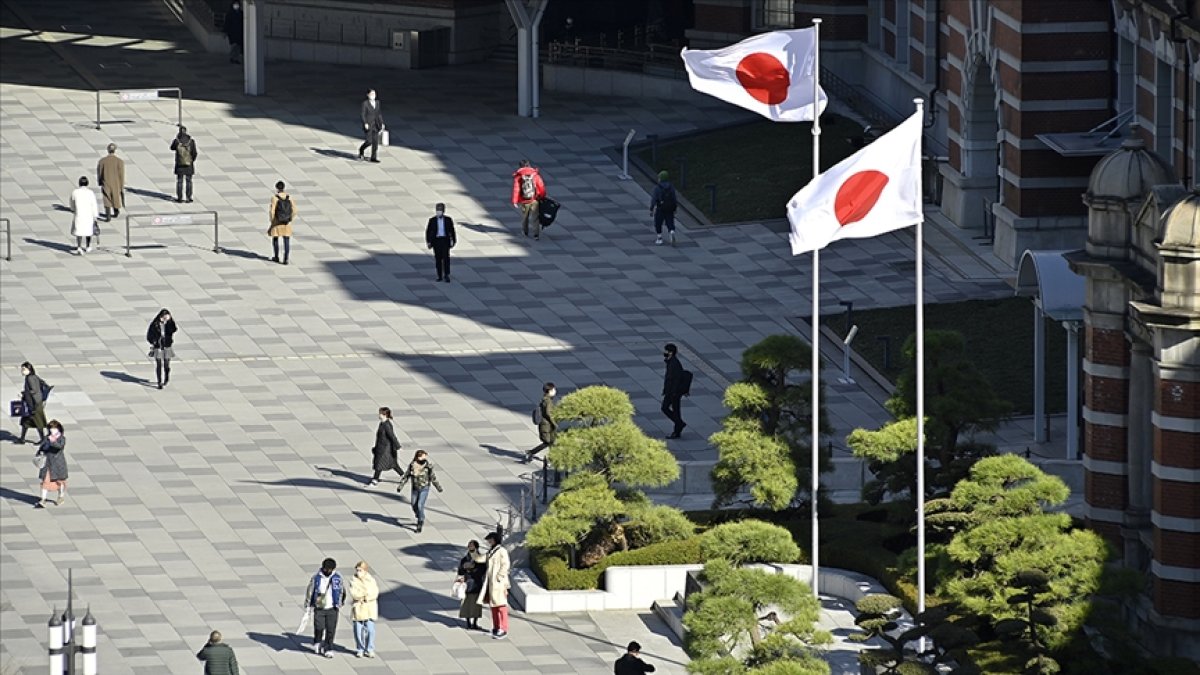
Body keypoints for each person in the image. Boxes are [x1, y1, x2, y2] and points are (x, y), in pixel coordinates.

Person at [304, 558, 344, 658]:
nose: (329, 571)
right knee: (319, 627)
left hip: (332, 608)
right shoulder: (316, 578)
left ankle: (328, 648)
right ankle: (317, 641)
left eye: (331, 569)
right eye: (327, 569)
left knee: (331, 629)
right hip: (320, 607)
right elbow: (310, 590)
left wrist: (340, 602)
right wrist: (308, 604)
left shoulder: (337, 578)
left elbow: (342, 591)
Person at [396, 450, 443, 533]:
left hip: (424, 488)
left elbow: (432, 477)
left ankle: (420, 523)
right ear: (418, 457)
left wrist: (438, 487)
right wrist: (400, 486)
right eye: (423, 456)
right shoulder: (412, 465)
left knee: (420, 505)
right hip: (415, 488)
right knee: (414, 505)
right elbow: (406, 476)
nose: (424, 458)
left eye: (425, 456)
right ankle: (420, 515)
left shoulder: (428, 466)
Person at [479, 531, 511, 639]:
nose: (488, 541)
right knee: (494, 606)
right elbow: (482, 559)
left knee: (501, 606)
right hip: (491, 583)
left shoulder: (502, 551)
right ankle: (496, 627)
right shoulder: (491, 551)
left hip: (499, 583)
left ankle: (503, 628)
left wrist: (499, 577)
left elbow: (505, 565)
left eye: (490, 540)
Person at [348, 561, 379, 658]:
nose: (358, 572)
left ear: (365, 570)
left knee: (370, 630)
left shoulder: (371, 580)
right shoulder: (353, 580)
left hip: (369, 608)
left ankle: (369, 648)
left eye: (360, 570)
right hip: (359, 608)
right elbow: (354, 593)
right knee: (357, 631)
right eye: (357, 570)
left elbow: (374, 592)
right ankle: (360, 648)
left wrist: (366, 597)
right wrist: (363, 596)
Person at [35, 420, 68, 508]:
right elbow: (43, 446)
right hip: (48, 463)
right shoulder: (47, 437)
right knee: (45, 481)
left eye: (54, 428)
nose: (52, 430)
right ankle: (43, 499)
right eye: (50, 428)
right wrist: (39, 452)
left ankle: (61, 496)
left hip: (57, 463)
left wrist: (53, 441)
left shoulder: (61, 438)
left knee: (59, 481)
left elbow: (60, 447)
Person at [511, 159, 546, 239]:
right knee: (535, 217)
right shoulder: (535, 175)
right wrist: (542, 196)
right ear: (529, 165)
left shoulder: (519, 176)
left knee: (525, 217)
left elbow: (516, 189)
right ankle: (536, 234)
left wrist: (514, 201)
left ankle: (525, 231)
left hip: (524, 200)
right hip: (534, 199)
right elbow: (541, 186)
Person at [456, 540, 487, 630]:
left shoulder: (480, 559)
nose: (470, 548)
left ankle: (475, 622)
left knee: (476, 605)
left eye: (472, 546)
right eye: (469, 546)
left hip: (477, 584)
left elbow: (482, 571)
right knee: (467, 604)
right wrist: (464, 567)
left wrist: (473, 568)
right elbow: (460, 571)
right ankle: (468, 622)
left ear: (476, 548)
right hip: (467, 584)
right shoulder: (464, 559)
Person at [369, 407, 402, 486]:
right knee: (393, 464)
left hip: (385, 449)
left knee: (379, 464)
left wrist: (398, 446)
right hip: (381, 447)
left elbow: (392, 436)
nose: (379, 415)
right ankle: (403, 475)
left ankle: (375, 479)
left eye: (380, 413)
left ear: (384, 415)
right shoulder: (382, 423)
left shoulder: (387, 425)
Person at [525, 382, 557, 462]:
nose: (555, 391)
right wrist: (554, 423)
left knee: (551, 442)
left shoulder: (544, 399)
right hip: (546, 425)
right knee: (548, 442)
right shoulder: (548, 401)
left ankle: (551, 458)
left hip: (546, 425)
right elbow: (548, 413)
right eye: (553, 390)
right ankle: (531, 453)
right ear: (549, 391)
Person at [425, 202, 456, 282]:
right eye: (437, 210)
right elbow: (428, 231)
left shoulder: (448, 220)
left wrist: (453, 240)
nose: (439, 211)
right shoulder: (432, 220)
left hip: (445, 240)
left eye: (440, 210)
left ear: (443, 211)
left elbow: (452, 231)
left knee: (446, 258)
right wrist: (428, 242)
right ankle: (439, 275)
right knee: (438, 259)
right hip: (436, 241)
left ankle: (446, 274)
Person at [147, 309, 177, 390]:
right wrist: (154, 341)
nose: (164, 319)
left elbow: (174, 329)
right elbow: (149, 336)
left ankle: (166, 375)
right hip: (158, 346)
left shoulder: (169, 324)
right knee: (159, 364)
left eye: (165, 317)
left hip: (167, 345)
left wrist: (170, 321)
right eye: (163, 317)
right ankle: (159, 382)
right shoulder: (155, 324)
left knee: (166, 364)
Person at [17, 362, 47, 444]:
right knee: (26, 421)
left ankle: (43, 439)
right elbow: (42, 383)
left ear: (29, 369)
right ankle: (22, 438)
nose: (22, 371)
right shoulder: (34, 376)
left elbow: (33, 390)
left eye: (24, 369)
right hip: (35, 402)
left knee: (37, 422)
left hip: (34, 404)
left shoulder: (29, 378)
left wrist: (24, 394)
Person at [661, 343, 686, 439]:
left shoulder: (674, 364)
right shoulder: (670, 362)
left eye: (666, 351)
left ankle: (678, 426)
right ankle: (678, 426)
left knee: (668, 409)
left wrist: (673, 392)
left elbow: (675, 379)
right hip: (670, 391)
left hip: (673, 392)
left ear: (671, 352)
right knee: (673, 410)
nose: (664, 352)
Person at [268, 181, 296, 265]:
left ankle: (276, 256)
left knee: (275, 238)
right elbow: (294, 210)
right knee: (286, 240)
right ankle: (286, 258)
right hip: (286, 223)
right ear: (284, 187)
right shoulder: (289, 197)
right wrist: (290, 218)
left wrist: (272, 221)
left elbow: (272, 211)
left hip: (277, 222)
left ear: (277, 188)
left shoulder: (274, 198)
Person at [96, 143, 125, 222]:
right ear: (114, 150)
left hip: (106, 181)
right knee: (115, 197)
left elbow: (99, 172)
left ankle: (108, 215)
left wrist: (99, 181)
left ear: (108, 150)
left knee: (107, 198)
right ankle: (116, 211)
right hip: (116, 182)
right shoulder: (119, 161)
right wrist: (121, 185)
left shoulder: (102, 161)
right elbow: (121, 174)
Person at [70, 176, 98, 254]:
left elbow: (72, 202)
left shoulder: (75, 192)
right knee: (88, 231)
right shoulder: (90, 192)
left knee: (79, 231)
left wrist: (73, 209)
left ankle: (79, 246)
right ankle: (88, 246)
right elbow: (94, 204)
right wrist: (95, 215)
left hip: (79, 213)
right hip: (89, 214)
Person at [649, 171, 678, 246]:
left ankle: (659, 238)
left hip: (660, 208)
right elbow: (674, 198)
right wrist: (675, 208)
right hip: (670, 208)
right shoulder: (671, 187)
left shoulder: (657, 188)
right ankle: (671, 231)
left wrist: (651, 209)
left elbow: (654, 199)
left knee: (658, 222)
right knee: (670, 221)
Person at [171, 126, 198, 203]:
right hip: (189, 164)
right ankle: (188, 198)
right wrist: (191, 160)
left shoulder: (177, 141)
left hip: (179, 164)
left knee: (179, 181)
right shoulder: (191, 141)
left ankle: (180, 198)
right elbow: (194, 153)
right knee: (189, 181)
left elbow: (172, 148)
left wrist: (176, 139)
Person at [358, 90, 384, 163]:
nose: (373, 95)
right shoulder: (365, 104)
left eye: (374, 94)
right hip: (369, 125)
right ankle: (361, 149)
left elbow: (379, 114)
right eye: (371, 94)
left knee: (375, 142)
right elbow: (363, 114)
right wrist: (365, 123)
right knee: (369, 141)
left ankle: (373, 157)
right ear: (368, 95)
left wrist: (381, 123)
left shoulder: (377, 103)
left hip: (376, 125)